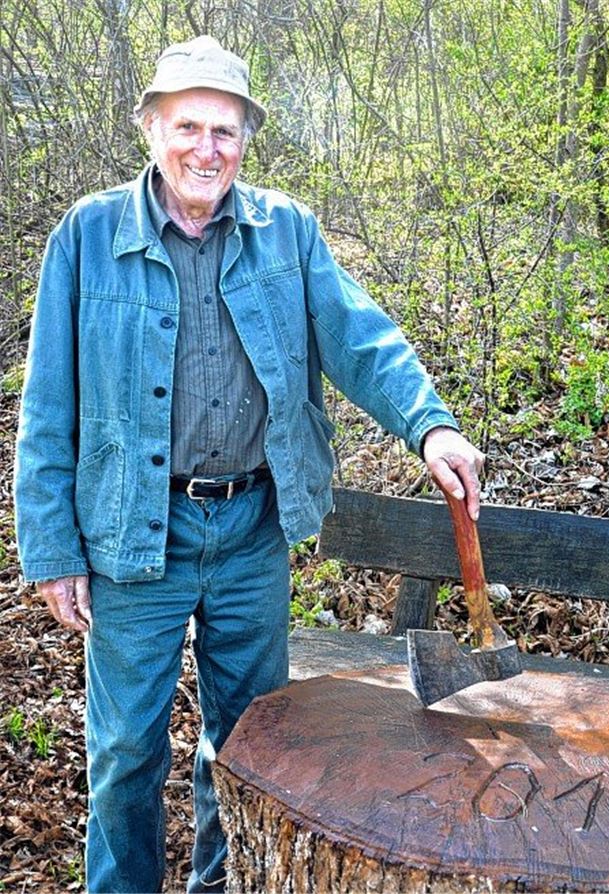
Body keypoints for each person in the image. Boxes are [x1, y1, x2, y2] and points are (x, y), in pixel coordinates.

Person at [13, 35, 484, 894]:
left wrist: (432, 427)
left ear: (245, 142)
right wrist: (52, 550)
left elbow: (361, 339)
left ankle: (224, 886)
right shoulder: (85, 237)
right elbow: (47, 412)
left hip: (250, 531)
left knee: (248, 744)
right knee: (124, 753)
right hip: (130, 532)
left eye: (225, 131)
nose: (206, 148)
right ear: (151, 131)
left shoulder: (286, 233)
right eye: (187, 126)